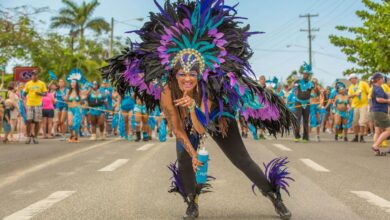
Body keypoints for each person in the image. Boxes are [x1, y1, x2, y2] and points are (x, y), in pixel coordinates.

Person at [101, 1, 296, 219]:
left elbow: (202, 128)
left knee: (241, 160)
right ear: (174, 74)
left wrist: (193, 108)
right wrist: (194, 154)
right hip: (185, 125)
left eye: (192, 75)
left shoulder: (208, 89)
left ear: (199, 75)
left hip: (218, 118)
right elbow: (176, 127)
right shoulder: (167, 91)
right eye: (182, 74)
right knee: (184, 158)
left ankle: (273, 195)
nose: (187, 79)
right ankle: (191, 202)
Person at [24, 70, 47, 144]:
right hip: (29, 104)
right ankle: (28, 136)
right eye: (33, 75)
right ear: (31, 76)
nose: (34, 76)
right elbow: (25, 93)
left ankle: (35, 136)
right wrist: (23, 96)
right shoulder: (28, 83)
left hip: (38, 104)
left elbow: (45, 93)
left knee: (37, 121)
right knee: (28, 120)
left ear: (38, 75)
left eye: (36, 75)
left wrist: (40, 93)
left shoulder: (42, 83)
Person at [294, 62, 314, 142]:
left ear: (309, 75)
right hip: (298, 102)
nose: (305, 75)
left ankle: (305, 137)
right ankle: (297, 136)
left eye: (307, 74)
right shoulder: (298, 81)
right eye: (304, 73)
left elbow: (315, 91)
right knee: (298, 119)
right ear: (303, 74)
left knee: (306, 120)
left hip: (307, 103)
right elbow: (295, 90)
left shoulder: (311, 83)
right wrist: (296, 92)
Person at [370, 73, 390, 156]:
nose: (383, 80)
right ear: (378, 79)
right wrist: (388, 101)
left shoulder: (377, 88)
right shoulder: (378, 88)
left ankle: (376, 150)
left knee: (377, 131)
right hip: (380, 111)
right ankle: (376, 145)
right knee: (389, 130)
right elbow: (379, 99)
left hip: (376, 111)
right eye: (382, 78)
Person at [348, 73, 370, 143]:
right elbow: (349, 96)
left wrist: (369, 101)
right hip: (355, 106)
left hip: (364, 105)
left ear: (355, 78)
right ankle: (356, 136)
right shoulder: (351, 86)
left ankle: (362, 137)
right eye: (349, 80)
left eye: (351, 79)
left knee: (362, 121)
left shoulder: (363, 83)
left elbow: (369, 92)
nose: (350, 81)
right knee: (355, 122)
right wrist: (355, 94)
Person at [309, 78, 323, 142]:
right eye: (312, 82)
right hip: (311, 106)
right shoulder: (308, 89)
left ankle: (317, 135)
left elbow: (322, 97)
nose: (313, 83)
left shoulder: (318, 89)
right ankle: (308, 135)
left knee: (318, 121)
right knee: (310, 121)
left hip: (317, 106)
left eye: (315, 82)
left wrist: (321, 104)